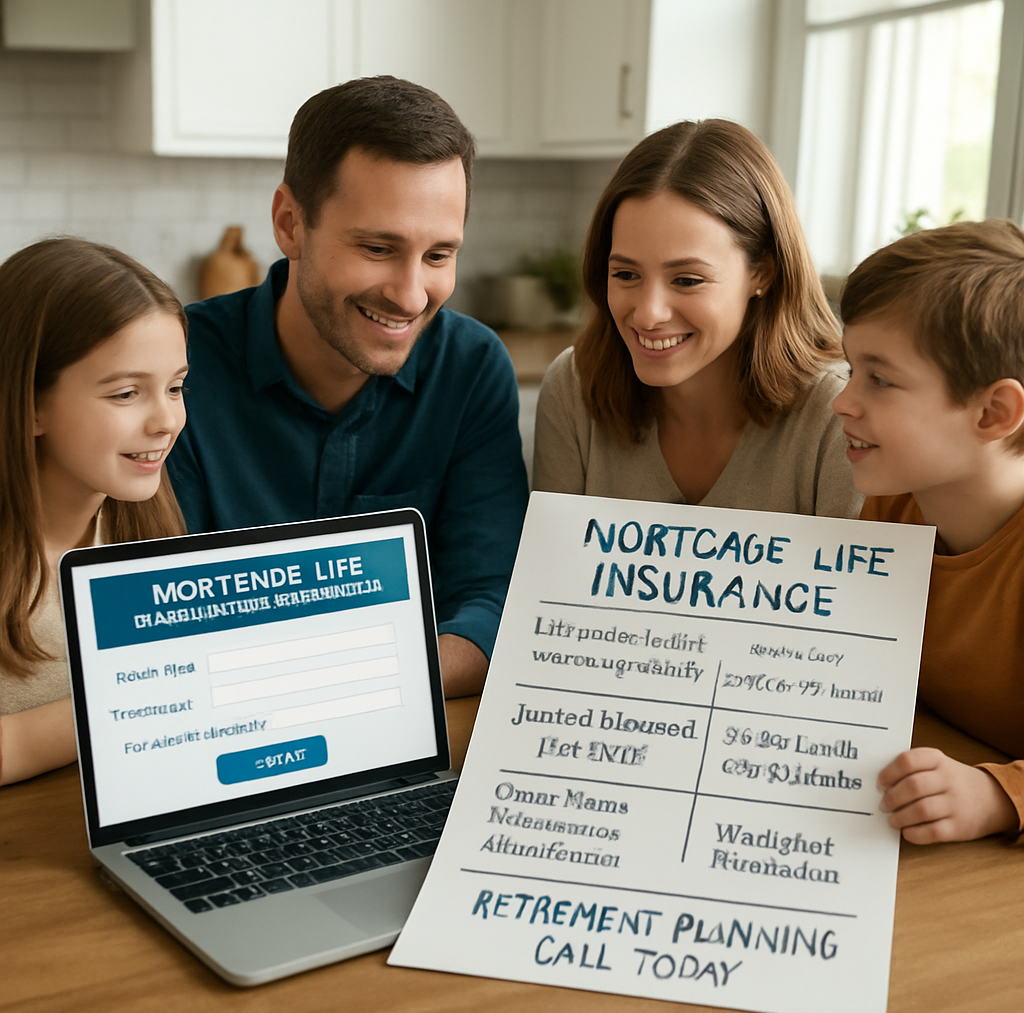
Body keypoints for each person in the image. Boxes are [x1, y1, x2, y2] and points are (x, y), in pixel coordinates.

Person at [167, 77, 528, 699]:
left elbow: (491, 604)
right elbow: (167, 623)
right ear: (289, 224)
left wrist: (343, 687)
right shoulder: (177, 369)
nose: (411, 295)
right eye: (379, 247)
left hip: (411, 734)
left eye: (439, 256)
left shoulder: (471, 368)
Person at [533, 119, 861, 519]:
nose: (649, 314)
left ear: (763, 273)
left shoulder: (839, 411)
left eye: (687, 280)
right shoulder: (574, 388)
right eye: (626, 274)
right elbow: (553, 574)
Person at [833, 219, 1024, 844]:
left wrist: (996, 796)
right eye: (851, 368)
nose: (842, 401)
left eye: (879, 379)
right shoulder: (893, 506)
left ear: (993, 413)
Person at [0, 238, 188, 785]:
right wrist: (124, 711)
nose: (166, 421)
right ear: (30, 404)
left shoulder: (136, 526)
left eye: (176, 387)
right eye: (126, 394)